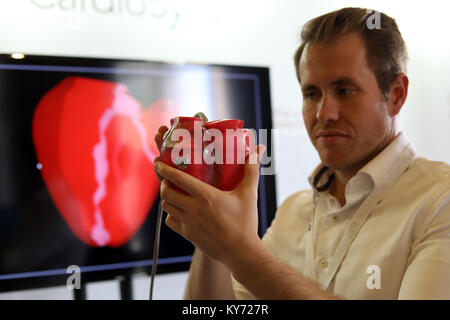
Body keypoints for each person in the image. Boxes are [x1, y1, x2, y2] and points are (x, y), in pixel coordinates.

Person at [153, 7, 450, 299]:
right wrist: (212, 227)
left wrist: (240, 251)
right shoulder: (293, 212)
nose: (324, 113)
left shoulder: (440, 201)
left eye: (344, 90)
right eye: (311, 94)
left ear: (396, 94)